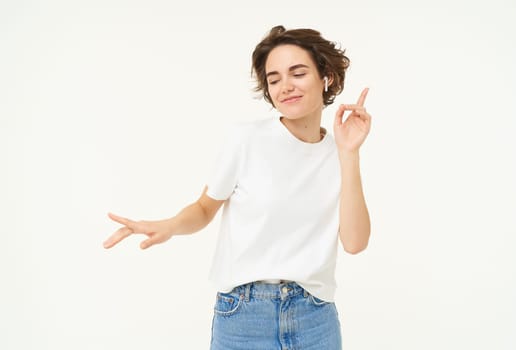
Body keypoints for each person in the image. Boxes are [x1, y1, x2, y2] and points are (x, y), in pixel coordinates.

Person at [103, 25, 372, 350]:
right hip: (244, 315)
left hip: (314, 317)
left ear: (325, 75)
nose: (285, 86)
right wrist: (169, 225)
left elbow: (355, 242)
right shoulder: (246, 140)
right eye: (274, 79)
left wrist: (349, 152)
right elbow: (205, 208)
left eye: (298, 73)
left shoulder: (339, 153)